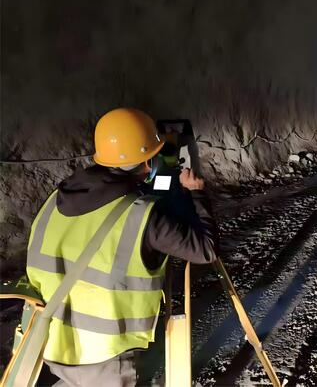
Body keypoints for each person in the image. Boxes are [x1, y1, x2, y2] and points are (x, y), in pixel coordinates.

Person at [25, 107, 219, 386]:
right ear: (147, 161)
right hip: (105, 355)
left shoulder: (54, 200)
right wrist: (196, 193)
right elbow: (205, 249)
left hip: (51, 342)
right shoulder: (141, 216)